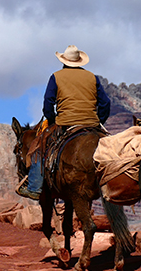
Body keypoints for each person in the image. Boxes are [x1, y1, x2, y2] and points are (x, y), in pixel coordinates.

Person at [16, 45, 111, 200]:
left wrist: (52, 120)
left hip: (65, 122)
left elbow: (48, 102)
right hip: (92, 123)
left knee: (39, 145)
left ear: (64, 61)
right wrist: (99, 120)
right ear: (79, 62)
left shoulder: (56, 76)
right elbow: (105, 103)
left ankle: (34, 187)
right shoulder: (92, 77)